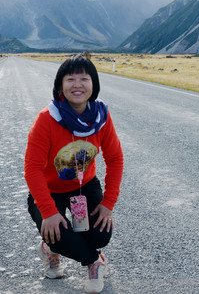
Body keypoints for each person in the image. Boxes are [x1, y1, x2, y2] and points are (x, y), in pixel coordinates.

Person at [24, 52, 124, 294]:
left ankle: (61, 250)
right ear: (60, 86)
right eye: (70, 79)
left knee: (100, 235)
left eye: (84, 79)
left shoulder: (101, 117)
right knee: (57, 233)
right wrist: (48, 211)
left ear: (94, 85)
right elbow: (32, 168)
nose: (77, 85)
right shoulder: (47, 119)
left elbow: (115, 158)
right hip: (49, 191)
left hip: (84, 187)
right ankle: (91, 262)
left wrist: (108, 203)